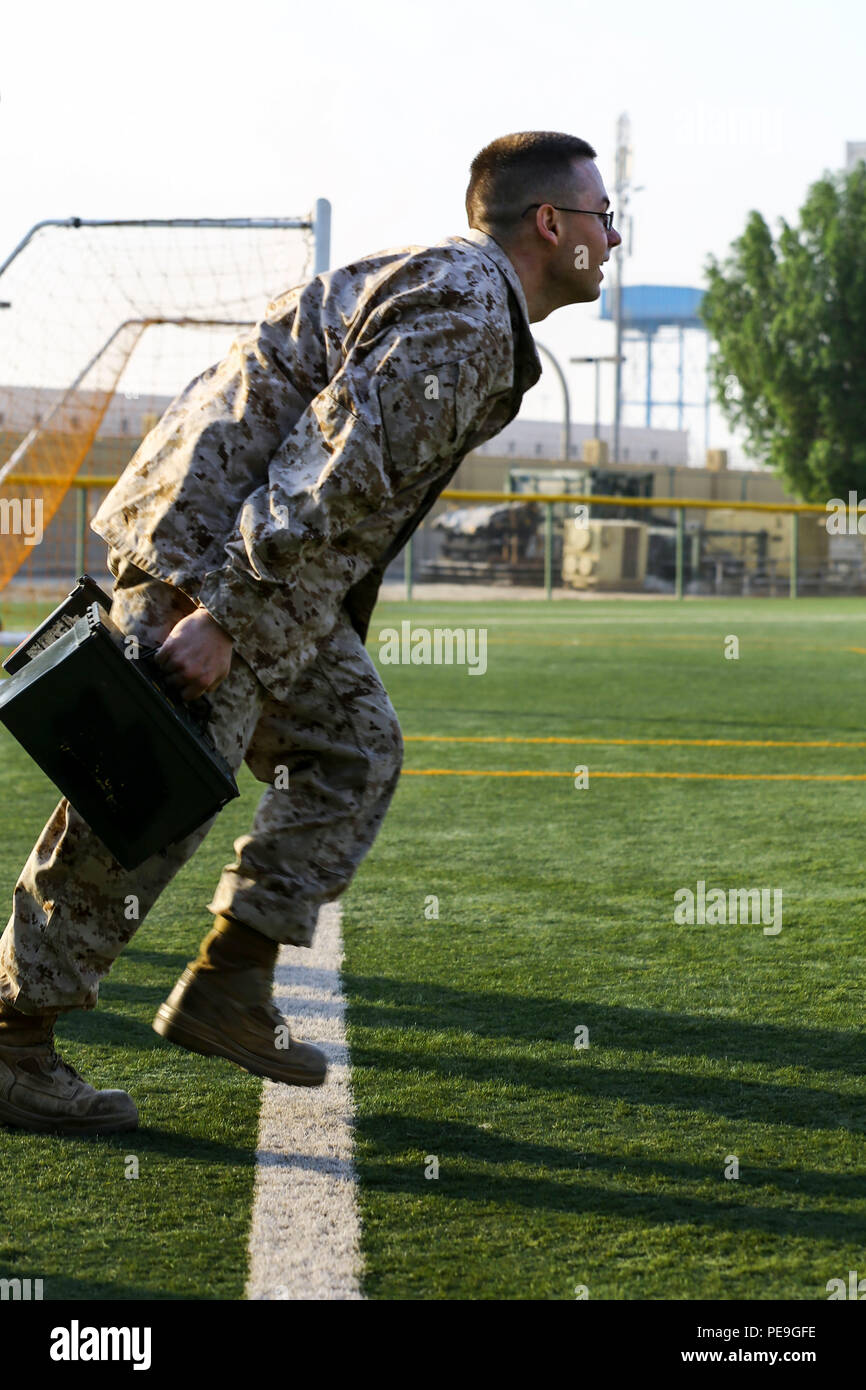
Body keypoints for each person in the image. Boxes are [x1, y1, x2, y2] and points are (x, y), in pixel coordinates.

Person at [0, 130, 621, 1134]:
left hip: (246, 558)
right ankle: (11, 1043)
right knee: (141, 796)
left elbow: (347, 480)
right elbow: (335, 461)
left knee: (349, 747)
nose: (615, 233)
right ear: (549, 224)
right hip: (216, 552)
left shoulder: (470, 304)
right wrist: (224, 616)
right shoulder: (466, 311)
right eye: (601, 215)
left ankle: (226, 984)